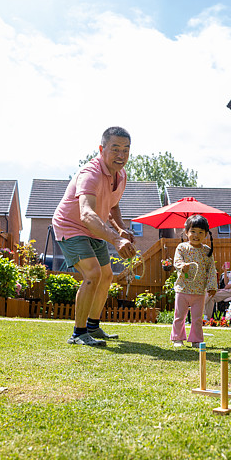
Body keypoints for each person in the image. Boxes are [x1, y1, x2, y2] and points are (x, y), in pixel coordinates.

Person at [52, 127, 137, 346]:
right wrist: (117, 240)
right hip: (71, 226)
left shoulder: (121, 175)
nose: (121, 155)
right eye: (115, 148)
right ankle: (78, 333)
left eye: (126, 150)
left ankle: (92, 326)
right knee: (93, 273)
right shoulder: (90, 174)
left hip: (94, 228)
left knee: (107, 275)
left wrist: (121, 229)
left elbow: (114, 205)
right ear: (101, 149)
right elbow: (86, 214)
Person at [171, 215, 218, 348]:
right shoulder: (182, 247)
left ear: (206, 234)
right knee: (179, 316)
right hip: (183, 289)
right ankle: (177, 338)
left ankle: (196, 339)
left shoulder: (207, 251)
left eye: (200, 232)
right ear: (186, 232)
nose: (196, 235)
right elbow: (177, 261)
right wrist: (182, 266)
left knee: (197, 318)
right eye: (193, 231)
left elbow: (211, 270)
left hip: (199, 291)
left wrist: (212, 286)